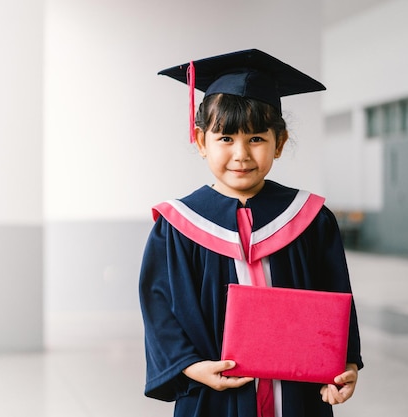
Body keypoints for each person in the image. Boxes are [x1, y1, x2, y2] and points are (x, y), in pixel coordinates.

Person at [138, 49, 363, 417]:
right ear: (200, 141)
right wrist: (191, 367)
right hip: (213, 392)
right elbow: (159, 308)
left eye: (256, 138)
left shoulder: (311, 218)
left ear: (280, 142)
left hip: (297, 392)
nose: (241, 154)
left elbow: (337, 295)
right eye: (225, 138)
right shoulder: (177, 225)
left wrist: (345, 363)